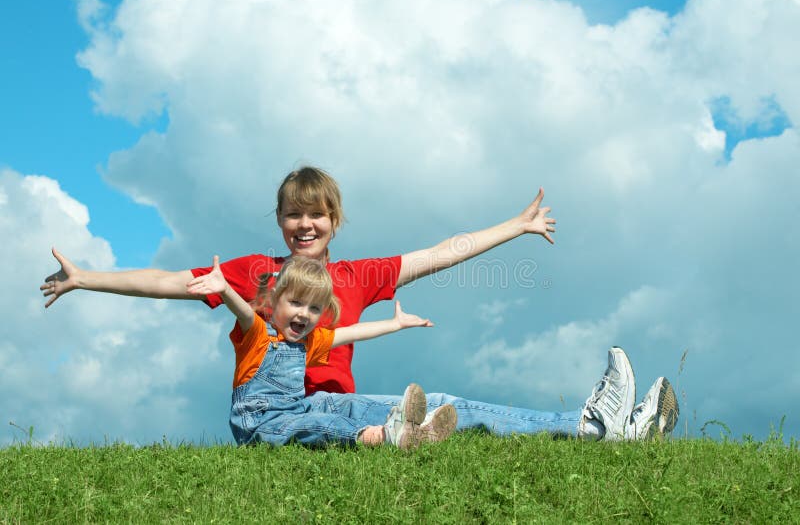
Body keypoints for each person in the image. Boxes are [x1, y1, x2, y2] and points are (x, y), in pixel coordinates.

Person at [41, 166, 679, 441]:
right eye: (293, 215)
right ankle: (594, 428)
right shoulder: (256, 274)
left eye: (315, 215)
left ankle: (605, 427)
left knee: (447, 409)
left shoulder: (360, 274)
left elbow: (441, 252)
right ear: (281, 221)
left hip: (331, 409)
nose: (304, 225)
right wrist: (86, 277)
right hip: (288, 412)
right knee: (452, 408)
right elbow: (167, 282)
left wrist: (512, 228)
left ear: (334, 220)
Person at [187, 253, 457, 448]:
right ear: (273, 301)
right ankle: (382, 437)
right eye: (295, 302)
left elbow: (352, 333)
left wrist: (394, 323)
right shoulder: (258, 335)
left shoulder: (308, 341)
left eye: (314, 308)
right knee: (317, 424)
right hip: (260, 425)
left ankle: (417, 430)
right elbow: (244, 312)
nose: (304, 314)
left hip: (296, 409)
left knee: (343, 404)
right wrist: (224, 290)